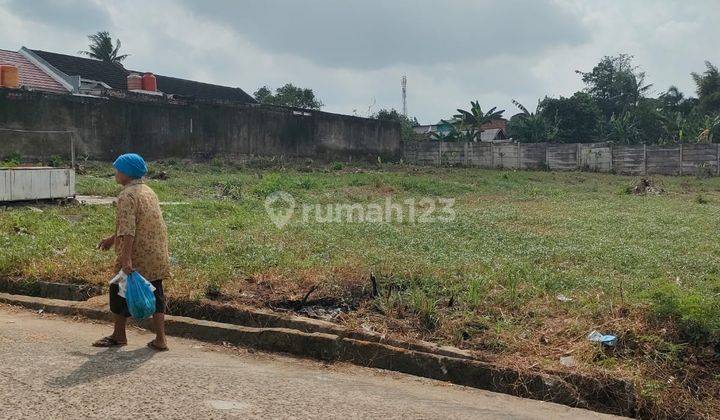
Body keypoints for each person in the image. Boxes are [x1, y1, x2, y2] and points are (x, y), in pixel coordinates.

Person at [93, 153, 171, 351]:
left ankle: (119, 335)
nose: (115, 173)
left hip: (136, 254)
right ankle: (161, 339)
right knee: (156, 293)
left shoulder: (126, 195)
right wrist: (112, 239)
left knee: (118, 289)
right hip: (155, 253)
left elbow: (128, 230)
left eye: (118, 170)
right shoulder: (147, 191)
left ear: (127, 173)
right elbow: (137, 222)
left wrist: (126, 258)